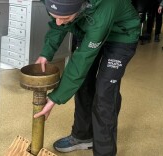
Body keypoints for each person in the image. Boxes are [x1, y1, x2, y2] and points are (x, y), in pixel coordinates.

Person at [34, 0, 140, 155]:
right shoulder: (62, 7)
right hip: (89, 28)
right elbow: (57, 25)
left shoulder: (104, 9)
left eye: (66, 17)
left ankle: (104, 152)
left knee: (105, 93)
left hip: (121, 36)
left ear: (81, 6)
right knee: (83, 84)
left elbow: (81, 61)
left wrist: (55, 98)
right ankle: (82, 136)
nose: (59, 21)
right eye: (54, 15)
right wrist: (46, 53)